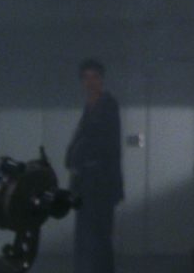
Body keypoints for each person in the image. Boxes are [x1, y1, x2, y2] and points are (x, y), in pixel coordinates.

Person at [65, 58, 124, 273]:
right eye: (86, 78)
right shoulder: (90, 107)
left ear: (102, 80)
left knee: (99, 237)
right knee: (87, 236)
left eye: (95, 77)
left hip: (100, 184)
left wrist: (78, 157)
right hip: (87, 183)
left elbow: (103, 144)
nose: (90, 83)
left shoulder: (107, 106)